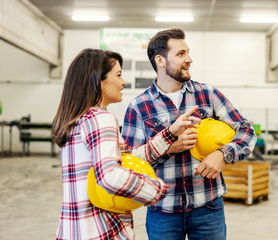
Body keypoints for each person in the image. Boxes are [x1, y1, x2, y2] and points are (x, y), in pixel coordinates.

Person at [122, 28, 257, 240]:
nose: (189, 59)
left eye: (188, 52)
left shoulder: (208, 95)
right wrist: (169, 148)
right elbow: (129, 162)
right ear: (160, 60)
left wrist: (223, 154)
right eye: (181, 54)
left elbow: (246, 131)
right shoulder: (139, 106)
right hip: (162, 211)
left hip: (208, 208)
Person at [51, 48, 200, 240]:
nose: (124, 82)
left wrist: (170, 134)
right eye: (119, 75)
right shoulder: (101, 119)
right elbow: (110, 175)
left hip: (75, 230)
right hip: (102, 230)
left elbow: (125, 159)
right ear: (98, 80)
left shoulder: (77, 121)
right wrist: (156, 189)